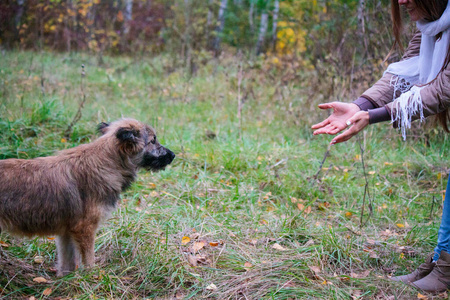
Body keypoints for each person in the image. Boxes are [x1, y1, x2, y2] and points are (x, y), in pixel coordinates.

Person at [311, 0, 450, 293]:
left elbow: (443, 89)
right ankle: (442, 260)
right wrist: (359, 105)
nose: (401, 1)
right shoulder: (433, 24)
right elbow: (403, 73)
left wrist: (374, 115)